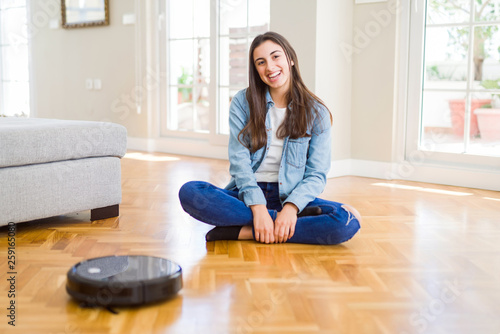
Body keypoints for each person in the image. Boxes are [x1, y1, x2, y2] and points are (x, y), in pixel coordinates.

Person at [178, 31, 361, 245]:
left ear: (290, 59)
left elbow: (317, 174)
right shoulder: (242, 102)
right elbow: (239, 163)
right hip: (246, 194)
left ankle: (245, 231)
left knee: (347, 221)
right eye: (261, 62)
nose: (270, 67)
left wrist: (291, 209)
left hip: (292, 196)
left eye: (276, 57)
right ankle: (275, 225)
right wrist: (258, 208)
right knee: (190, 192)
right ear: (256, 69)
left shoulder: (316, 112)